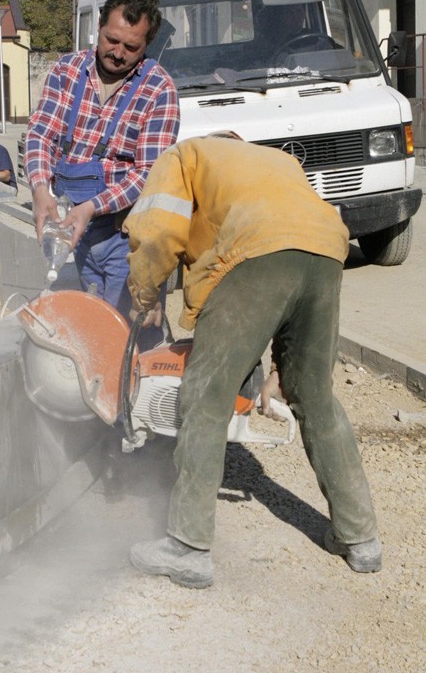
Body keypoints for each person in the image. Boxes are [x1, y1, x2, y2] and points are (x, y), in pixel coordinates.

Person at [125, 134, 381, 589]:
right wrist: (281, 367)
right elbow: (289, 251)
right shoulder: (270, 161)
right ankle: (360, 538)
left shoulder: (186, 155)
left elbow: (159, 230)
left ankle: (187, 547)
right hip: (325, 252)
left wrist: (144, 293)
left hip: (255, 251)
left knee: (205, 397)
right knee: (314, 394)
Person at [24, 0, 180, 325]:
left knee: (130, 331)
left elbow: (149, 173)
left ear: (147, 46)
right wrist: (39, 188)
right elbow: (41, 135)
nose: (118, 53)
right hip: (80, 235)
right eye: (112, 40)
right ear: (98, 25)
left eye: (131, 47)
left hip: (129, 237)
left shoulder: (159, 89)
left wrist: (93, 207)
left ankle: (138, 376)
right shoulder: (67, 71)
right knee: (95, 325)